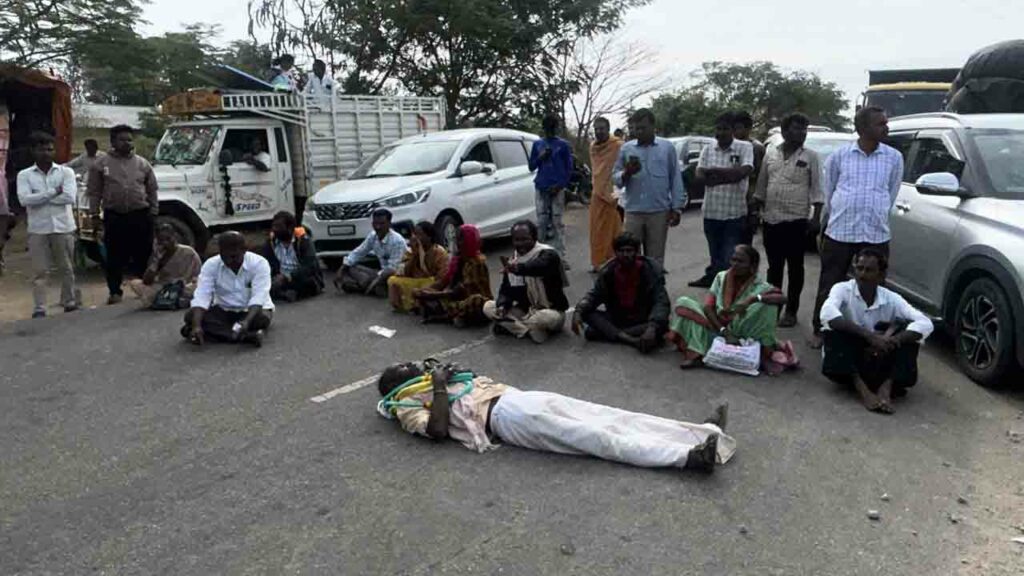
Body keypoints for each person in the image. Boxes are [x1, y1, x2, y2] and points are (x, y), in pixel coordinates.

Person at [376, 360, 735, 473]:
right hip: (502, 421)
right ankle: (687, 457)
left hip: (517, 398)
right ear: (397, 382)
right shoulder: (405, 404)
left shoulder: (433, 377)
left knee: (612, 416)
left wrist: (450, 375)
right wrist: (439, 386)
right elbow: (437, 431)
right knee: (596, 438)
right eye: (405, 367)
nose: (414, 364)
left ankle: (702, 430)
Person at [810, 106, 903, 349]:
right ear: (862, 128)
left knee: (875, 288)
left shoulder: (893, 157)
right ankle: (822, 330)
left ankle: (872, 334)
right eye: (880, 124)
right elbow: (830, 192)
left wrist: (875, 210)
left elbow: (891, 193)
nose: (886, 127)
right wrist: (837, 214)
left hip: (875, 232)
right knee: (831, 283)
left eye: (886, 122)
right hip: (841, 231)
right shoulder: (840, 156)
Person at [820, 249, 933, 414]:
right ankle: (862, 389)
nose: (862, 274)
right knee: (833, 331)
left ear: (881, 275)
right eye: (859, 268)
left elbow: (925, 323)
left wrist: (893, 340)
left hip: (880, 356)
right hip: (850, 359)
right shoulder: (842, 289)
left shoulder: (892, 298)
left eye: (869, 270)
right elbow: (827, 313)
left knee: (911, 336)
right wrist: (870, 337)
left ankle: (886, 387)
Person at [667, 245, 796, 375]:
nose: (735, 264)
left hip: (742, 328)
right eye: (733, 260)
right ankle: (697, 353)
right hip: (717, 326)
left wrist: (753, 299)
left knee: (767, 306)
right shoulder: (721, 277)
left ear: (753, 266)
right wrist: (724, 332)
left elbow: (782, 299)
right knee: (683, 303)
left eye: (741, 262)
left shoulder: (760, 285)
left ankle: (765, 354)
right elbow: (708, 307)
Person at [752, 113, 824, 328]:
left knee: (795, 267)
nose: (801, 133)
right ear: (784, 131)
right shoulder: (770, 153)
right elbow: (762, 186)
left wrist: (816, 218)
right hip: (772, 218)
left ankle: (791, 311)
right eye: (796, 129)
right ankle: (774, 308)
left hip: (797, 220)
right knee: (774, 267)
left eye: (804, 130)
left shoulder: (811, 156)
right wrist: (755, 213)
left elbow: (818, 190)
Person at [88, 124, 159, 305]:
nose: (127, 143)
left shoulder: (143, 163)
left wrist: (153, 212)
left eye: (129, 139)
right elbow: (94, 192)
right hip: (114, 216)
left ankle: (144, 288)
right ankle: (115, 292)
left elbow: (152, 190)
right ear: (113, 142)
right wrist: (94, 216)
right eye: (122, 139)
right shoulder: (101, 164)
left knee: (143, 253)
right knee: (114, 256)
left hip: (140, 215)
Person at [571, 232, 670, 354]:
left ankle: (613, 334)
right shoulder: (608, 271)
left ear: (636, 252)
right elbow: (595, 295)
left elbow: (661, 302)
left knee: (662, 326)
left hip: (642, 319)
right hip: (617, 318)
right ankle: (631, 340)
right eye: (621, 251)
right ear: (615, 253)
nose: (625, 255)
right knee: (587, 314)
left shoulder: (649, 270)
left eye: (629, 251)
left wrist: (653, 327)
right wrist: (578, 311)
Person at [689, 113, 755, 288]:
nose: (720, 132)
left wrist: (715, 172)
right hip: (711, 212)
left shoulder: (744, 147)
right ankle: (716, 287)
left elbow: (744, 172)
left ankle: (729, 292)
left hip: (734, 213)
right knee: (715, 255)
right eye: (718, 128)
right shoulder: (708, 149)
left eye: (725, 128)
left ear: (733, 130)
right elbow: (700, 175)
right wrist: (729, 175)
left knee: (730, 257)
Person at [17, 131, 78, 318]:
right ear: (33, 151)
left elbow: (69, 197)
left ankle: (69, 301)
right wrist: (53, 192)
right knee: (39, 271)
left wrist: (41, 197)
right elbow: (24, 200)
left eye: (50, 149)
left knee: (66, 268)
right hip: (38, 229)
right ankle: (40, 307)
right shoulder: (25, 175)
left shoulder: (66, 172)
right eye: (42, 150)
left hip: (63, 226)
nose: (47, 153)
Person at [612, 109, 684, 267]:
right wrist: (627, 173)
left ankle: (655, 289)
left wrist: (677, 208)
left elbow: (675, 178)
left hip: (658, 211)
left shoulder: (667, 148)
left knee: (655, 258)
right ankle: (633, 290)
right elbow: (616, 178)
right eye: (636, 128)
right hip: (633, 211)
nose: (639, 132)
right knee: (630, 256)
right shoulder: (626, 148)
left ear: (653, 126)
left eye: (643, 128)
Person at [182, 231, 274, 348]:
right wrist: (196, 325)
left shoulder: (259, 263)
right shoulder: (211, 265)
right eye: (225, 256)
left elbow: (259, 296)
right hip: (223, 310)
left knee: (262, 319)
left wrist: (246, 321)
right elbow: (202, 295)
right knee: (191, 316)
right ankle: (245, 337)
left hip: (253, 311)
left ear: (244, 250)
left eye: (234, 256)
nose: (230, 261)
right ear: (220, 252)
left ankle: (214, 333)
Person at [484, 220, 569, 343]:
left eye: (525, 239)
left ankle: (512, 327)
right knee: (488, 307)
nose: (521, 244)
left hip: (551, 311)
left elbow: (538, 266)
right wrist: (502, 305)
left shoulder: (548, 255)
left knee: (540, 319)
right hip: (526, 310)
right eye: (517, 240)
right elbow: (506, 290)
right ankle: (527, 331)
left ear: (534, 238)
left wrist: (518, 269)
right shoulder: (513, 260)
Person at [414, 224, 492, 327]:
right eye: (456, 239)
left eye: (460, 239)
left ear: (469, 240)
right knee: (418, 293)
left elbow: (460, 291)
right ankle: (451, 315)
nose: (457, 243)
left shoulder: (476, 263)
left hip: (473, 303)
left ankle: (444, 317)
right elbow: (444, 282)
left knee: (476, 301)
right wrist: (426, 291)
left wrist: (433, 295)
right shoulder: (457, 260)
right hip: (455, 300)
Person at [527, 113, 573, 264]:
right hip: (541, 187)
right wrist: (541, 157)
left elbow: (569, 169)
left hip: (557, 189)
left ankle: (561, 257)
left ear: (556, 128)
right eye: (548, 128)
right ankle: (540, 255)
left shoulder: (563, 145)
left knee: (557, 222)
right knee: (541, 222)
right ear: (544, 128)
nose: (550, 130)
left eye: (552, 128)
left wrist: (560, 185)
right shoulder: (538, 144)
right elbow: (531, 166)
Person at [335, 208, 408, 297]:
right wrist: (342, 268)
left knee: (384, 285)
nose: (378, 227)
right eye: (375, 224)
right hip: (380, 272)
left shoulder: (397, 241)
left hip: (395, 275)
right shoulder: (373, 236)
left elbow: (392, 268)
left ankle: (362, 287)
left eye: (382, 224)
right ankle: (366, 286)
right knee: (350, 267)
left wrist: (376, 281)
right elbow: (359, 252)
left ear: (389, 224)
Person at [128, 223, 202, 308]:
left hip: (183, 287)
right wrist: (157, 260)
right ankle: (171, 300)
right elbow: (147, 281)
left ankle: (168, 300)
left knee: (197, 287)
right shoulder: (157, 255)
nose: (165, 243)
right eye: (161, 240)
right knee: (135, 283)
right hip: (164, 287)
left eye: (168, 239)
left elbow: (198, 275)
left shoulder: (188, 252)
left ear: (175, 237)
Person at [258, 210, 323, 302]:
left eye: (279, 227)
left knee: (309, 283)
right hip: (279, 278)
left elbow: (309, 266)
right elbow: (264, 263)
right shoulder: (271, 242)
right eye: (274, 226)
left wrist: (287, 277)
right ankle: (285, 294)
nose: (275, 229)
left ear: (290, 228)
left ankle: (284, 294)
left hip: (298, 277)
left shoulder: (303, 241)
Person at [387, 221, 449, 313]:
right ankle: (403, 306)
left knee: (425, 286)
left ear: (429, 237)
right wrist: (415, 255)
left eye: (419, 234)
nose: (415, 238)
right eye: (414, 234)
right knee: (393, 280)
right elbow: (405, 272)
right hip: (416, 281)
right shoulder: (413, 250)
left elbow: (442, 277)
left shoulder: (439, 252)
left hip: (432, 282)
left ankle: (419, 305)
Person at [587, 116, 623, 273]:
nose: (599, 131)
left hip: (611, 194)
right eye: (596, 129)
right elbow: (596, 171)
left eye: (602, 128)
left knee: (613, 230)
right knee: (596, 229)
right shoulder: (593, 147)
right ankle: (598, 261)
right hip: (597, 193)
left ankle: (612, 260)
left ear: (608, 129)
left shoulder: (618, 146)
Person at [732, 111, 766, 245]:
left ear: (748, 129)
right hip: (730, 201)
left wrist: (756, 208)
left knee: (744, 243)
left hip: (749, 201)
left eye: (739, 128)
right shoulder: (730, 146)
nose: (735, 132)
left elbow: (761, 177)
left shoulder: (756, 148)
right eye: (733, 128)